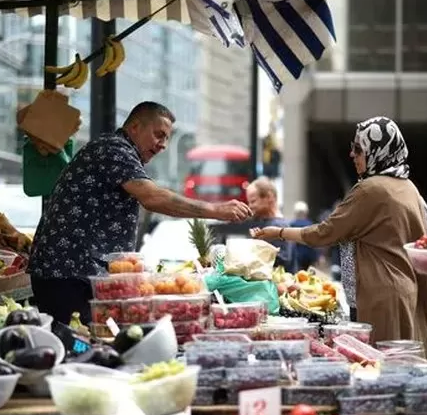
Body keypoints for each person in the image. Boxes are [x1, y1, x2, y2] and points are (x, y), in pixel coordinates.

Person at [28, 101, 251, 324]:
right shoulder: (114, 149)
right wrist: (216, 210)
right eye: (158, 135)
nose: (162, 145)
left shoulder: (119, 150)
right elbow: (153, 197)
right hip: (67, 275)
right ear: (134, 127)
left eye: (166, 139)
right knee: (79, 343)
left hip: (76, 274)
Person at [250, 117, 427, 363]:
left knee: (378, 369)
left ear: (377, 151)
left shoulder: (371, 189)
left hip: (381, 294)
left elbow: (324, 233)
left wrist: (278, 232)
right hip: (402, 290)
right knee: (399, 368)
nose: (351, 154)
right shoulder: (406, 186)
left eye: (358, 149)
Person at [242, 177, 291, 267]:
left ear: (269, 197)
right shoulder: (268, 222)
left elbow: (281, 261)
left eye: (253, 201)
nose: (250, 206)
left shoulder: (278, 225)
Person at [290, 201, 318, 271]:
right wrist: (316, 257)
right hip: (308, 254)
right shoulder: (310, 224)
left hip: (296, 254)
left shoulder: (292, 225)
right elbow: (314, 243)